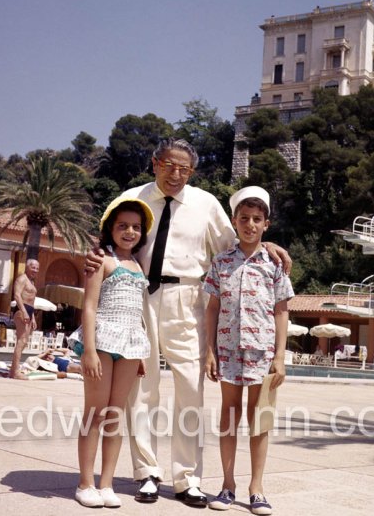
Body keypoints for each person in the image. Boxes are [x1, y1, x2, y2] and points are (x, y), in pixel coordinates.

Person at [84, 138, 292, 507]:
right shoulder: (133, 196)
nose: (176, 174)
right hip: (140, 296)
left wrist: (270, 244)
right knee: (141, 390)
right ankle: (146, 472)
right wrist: (94, 254)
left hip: (190, 298)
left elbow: (238, 243)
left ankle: (187, 478)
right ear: (154, 162)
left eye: (184, 169)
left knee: (189, 389)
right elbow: (111, 236)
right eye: (169, 165)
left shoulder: (206, 204)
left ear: (192, 172)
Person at [204, 187, 293, 515]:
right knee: (229, 415)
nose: (250, 224)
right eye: (244, 218)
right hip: (227, 351)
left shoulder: (274, 264)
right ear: (234, 221)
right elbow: (211, 309)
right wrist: (209, 351)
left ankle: (257, 488)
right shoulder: (222, 261)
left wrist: (280, 357)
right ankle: (227, 485)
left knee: (259, 419)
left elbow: (282, 311)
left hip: (262, 354)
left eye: (257, 219)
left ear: (266, 224)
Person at [69, 196, 154, 508]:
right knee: (95, 412)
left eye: (135, 227)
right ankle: (85, 483)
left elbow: (138, 311)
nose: (129, 231)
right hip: (102, 341)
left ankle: (106, 484)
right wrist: (89, 351)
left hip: (131, 345)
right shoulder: (101, 261)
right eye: (122, 226)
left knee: (116, 414)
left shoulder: (139, 264)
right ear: (110, 229)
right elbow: (89, 307)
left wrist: (141, 352)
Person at [10, 259, 39, 379]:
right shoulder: (22, 279)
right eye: (33, 267)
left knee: (23, 342)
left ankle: (13, 369)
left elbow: (31, 301)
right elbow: (17, 295)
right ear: (27, 267)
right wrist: (24, 311)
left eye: (37, 268)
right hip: (21, 310)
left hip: (28, 311)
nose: (35, 270)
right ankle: (15, 372)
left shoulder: (31, 282)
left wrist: (33, 317)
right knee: (21, 341)